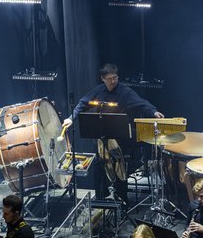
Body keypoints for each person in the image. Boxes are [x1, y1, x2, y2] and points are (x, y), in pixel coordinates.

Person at [62, 63, 164, 202]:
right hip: (102, 137)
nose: (113, 81)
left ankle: (122, 200)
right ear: (103, 78)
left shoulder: (124, 91)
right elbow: (82, 104)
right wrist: (70, 118)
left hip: (120, 138)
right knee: (98, 166)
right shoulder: (98, 91)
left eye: (115, 78)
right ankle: (100, 199)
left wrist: (153, 111)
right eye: (110, 79)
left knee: (118, 167)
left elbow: (141, 103)